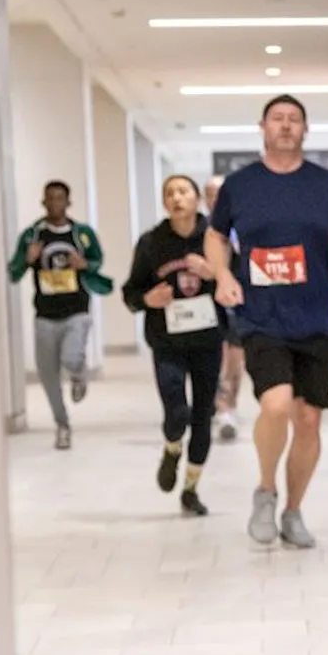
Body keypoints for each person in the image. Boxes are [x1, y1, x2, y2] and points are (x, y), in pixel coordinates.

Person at [205, 96, 328, 549]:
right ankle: (266, 490)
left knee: (308, 421)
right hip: (262, 315)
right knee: (276, 406)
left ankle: (293, 511)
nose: (286, 127)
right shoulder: (240, 185)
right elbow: (215, 236)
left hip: (318, 316)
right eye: (278, 120)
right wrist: (224, 274)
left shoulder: (327, 186)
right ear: (262, 127)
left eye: (294, 120)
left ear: (305, 130)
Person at [121, 175, 223, 515]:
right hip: (167, 342)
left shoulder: (215, 237)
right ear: (165, 202)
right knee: (177, 410)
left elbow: (237, 282)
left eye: (184, 191)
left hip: (208, 340)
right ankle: (171, 447)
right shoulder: (151, 243)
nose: (177, 198)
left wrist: (214, 274)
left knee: (204, 415)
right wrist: (148, 299)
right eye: (170, 193)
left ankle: (191, 489)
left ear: (197, 199)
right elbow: (130, 293)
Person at [7, 180, 112, 450]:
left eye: (60, 198)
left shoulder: (82, 234)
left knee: (71, 356)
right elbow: (13, 272)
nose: (55, 203)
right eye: (50, 198)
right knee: (48, 376)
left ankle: (79, 374)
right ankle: (62, 424)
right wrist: (27, 260)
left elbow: (98, 259)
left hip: (77, 309)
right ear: (43, 202)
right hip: (45, 314)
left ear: (68, 202)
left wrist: (84, 263)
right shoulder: (32, 236)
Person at [203, 174, 248, 442]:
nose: (215, 198)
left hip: (237, 300)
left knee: (235, 360)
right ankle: (219, 406)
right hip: (206, 304)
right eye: (210, 193)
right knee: (215, 358)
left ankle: (228, 407)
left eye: (219, 193)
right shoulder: (199, 229)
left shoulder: (241, 226)